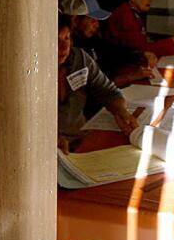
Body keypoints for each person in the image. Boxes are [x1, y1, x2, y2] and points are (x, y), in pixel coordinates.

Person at [59, 14, 138, 152]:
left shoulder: (79, 58)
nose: (65, 47)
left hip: (81, 140)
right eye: (56, 40)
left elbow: (109, 92)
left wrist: (121, 112)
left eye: (67, 38)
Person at [61, 0, 156, 79]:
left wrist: (139, 55)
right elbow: (92, 86)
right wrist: (130, 77)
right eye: (93, 21)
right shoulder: (68, 51)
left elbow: (111, 53)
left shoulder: (91, 39)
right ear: (76, 21)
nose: (97, 25)